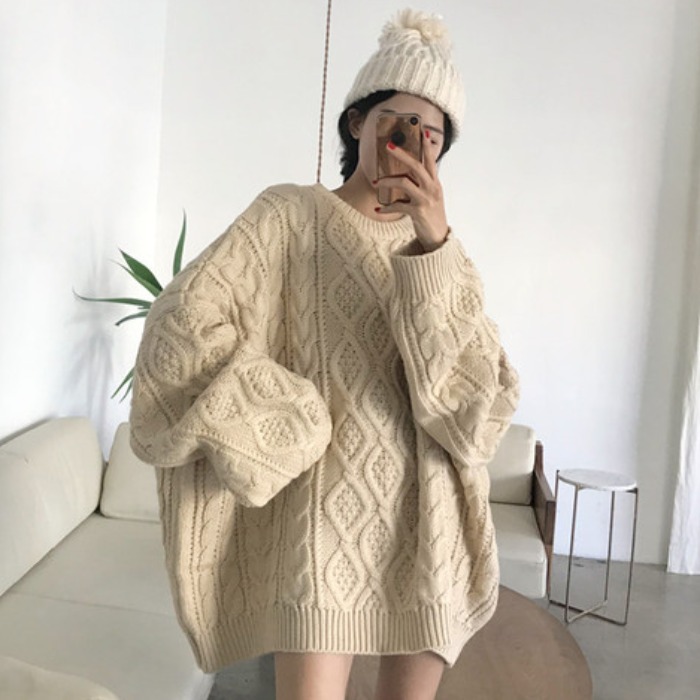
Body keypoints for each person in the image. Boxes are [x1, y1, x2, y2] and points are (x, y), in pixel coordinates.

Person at [129, 8, 519, 700]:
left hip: (430, 530)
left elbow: (472, 416)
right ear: (357, 122)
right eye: (398, 123)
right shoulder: (286, 216)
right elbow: (179, 324)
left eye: (432, 135)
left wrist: (433, 244)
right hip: (323, 526)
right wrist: (289, 415)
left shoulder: (446, 259)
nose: (414, 142)